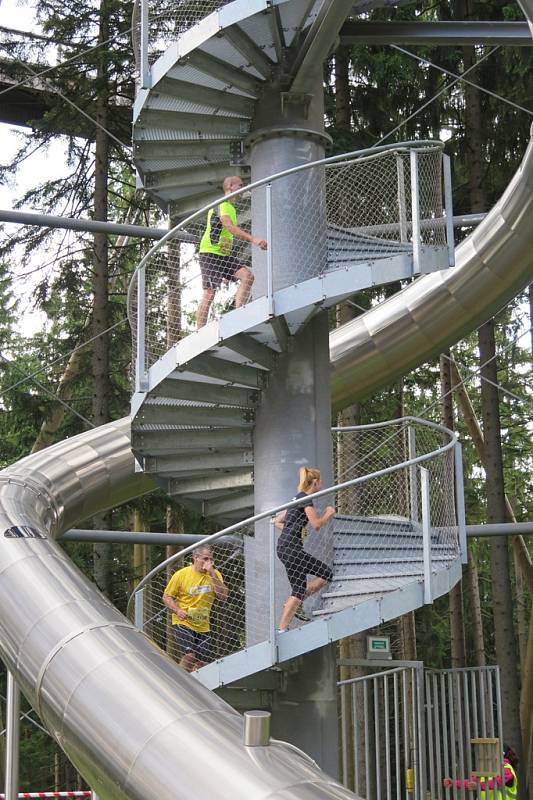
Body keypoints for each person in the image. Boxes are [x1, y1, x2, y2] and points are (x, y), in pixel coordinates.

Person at [197, 175, 267, 328]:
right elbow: (229, 227)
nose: (243, 188)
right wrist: (253, 239)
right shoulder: (222, 204)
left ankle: (239, 316)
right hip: (209, 253)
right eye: (240, 185)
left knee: (247, 276)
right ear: (230, 187)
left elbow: (226, 235)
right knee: (210, 293)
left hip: (224, 256)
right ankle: (199, 331)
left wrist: (226, 270)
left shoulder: (230, 207)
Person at [274, 466, 336, 632]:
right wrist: (328, 514)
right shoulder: (306, 500)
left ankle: (292, 605)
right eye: (320, 482)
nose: (321, 485)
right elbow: (316, 524)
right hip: (293, 549)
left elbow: (278, 521)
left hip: (284, 547)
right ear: (315, 482)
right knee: (323, 575)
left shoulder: (296, 498)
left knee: (309, 583)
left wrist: (297, 529)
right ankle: (281, 628)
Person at [163, 545, 228, 672]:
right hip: (183, 621)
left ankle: (196, 687)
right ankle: (181, 681)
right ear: (195, 558)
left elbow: (223, 596)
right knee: (190, 655)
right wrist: (177, 610)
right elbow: (167, 597)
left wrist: (212, 573)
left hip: (202, 623)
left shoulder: (215, 574)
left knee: (202, 663)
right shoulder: (181, 575)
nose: (208, 562)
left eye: (210, 559)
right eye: (205, 559)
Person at [443, 743, 518, 798]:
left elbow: (497, 783)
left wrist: (478, 786)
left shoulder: (507, 769)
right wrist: (453, 783)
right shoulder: (489, 769)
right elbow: (471, 782)